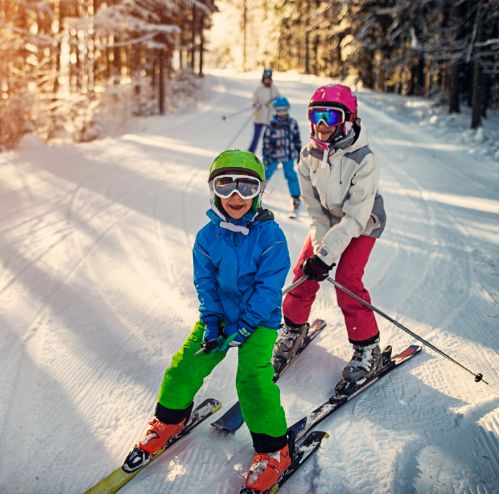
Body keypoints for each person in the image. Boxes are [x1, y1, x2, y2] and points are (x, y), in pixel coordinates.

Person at [123, 150, 293, 492]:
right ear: (213, 189)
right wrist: (212, 319)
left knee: (252, 381)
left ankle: (274, 449)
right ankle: (169, 421)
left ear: (260, 191)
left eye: (247, 187)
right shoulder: (206, 237)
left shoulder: (271, 237)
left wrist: (247, 324)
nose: (236, 196)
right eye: (226, 185)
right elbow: (206, 282)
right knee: (185, 364)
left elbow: (269, 287)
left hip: (258, 322)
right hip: (221, 317)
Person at [274, 84, 387, 385]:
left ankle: (367, 348)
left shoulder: (364, 159)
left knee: (348, 280)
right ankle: (293, 330)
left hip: (362, 222)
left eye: (330, 117)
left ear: (348, 120)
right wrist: (320, 253)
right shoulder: (307, 155)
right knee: (303, 272)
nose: (322, 125)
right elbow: (314, 211)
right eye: (316, 116)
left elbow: (353, 218)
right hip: (327, 220)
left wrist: (326, 257)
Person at [262, 96, 302, 211]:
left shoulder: (292, 123)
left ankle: (296, 197)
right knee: (266, 174)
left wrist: (299, 152)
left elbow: (296, 139)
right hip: (273, 155)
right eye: (279, 110)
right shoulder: (271, 124)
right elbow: (266, 141)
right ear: (275, 110)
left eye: (284, 110)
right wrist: (266, 155)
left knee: (291, 175)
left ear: (287, 109)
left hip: (288, 155)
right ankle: (256, 194)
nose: (282, 113)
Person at [248, 68, 280, 154]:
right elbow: (253, 101)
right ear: (263, 79)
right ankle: (250, 154)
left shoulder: (274, 89)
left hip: (270, 119)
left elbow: (279, 101)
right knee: (256, 138)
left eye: (268, 79)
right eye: (265, 79)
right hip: (259, 118)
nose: (267, 80)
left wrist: (273, 104)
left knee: (270, 138)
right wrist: (256, 105)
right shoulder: (258, 89)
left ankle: (271, 157)